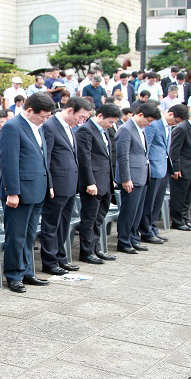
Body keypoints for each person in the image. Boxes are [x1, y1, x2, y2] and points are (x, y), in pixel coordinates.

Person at [0, 92, 54, 293]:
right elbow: (8, 162)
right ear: (29, 110)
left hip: (37, 188)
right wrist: (12, 191)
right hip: (19, 192)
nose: (45, 120)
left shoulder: (38, 127)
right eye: (43, 116)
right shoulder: (12, 127)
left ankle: (28, 272)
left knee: (30, 235)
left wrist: (49, 184)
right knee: (16, 236)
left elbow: (43, 158)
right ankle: (14, 275)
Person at [40, 97, 93, 273]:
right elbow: (46, 158)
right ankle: (50, 261)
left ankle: (61, 257)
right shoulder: (50, 126)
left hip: (70, 184)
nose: (82, 121)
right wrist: (49, 184)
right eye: (81, 116)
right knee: (51, 225)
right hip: (57, 184)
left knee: (64, 224)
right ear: (70, 110)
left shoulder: (71, 128)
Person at [75, 104, 121, 264]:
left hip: (106, 181)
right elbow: (84, 158)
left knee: (99, 218)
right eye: (110, 121)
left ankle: (96, 248)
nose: (111, 125)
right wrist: (89, 182)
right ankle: (87, 252)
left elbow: (107, 156)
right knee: (89, 218)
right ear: (100, 116)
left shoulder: (105, 131)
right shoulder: (86, 130)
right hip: (93, 183)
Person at [115, 103, 161, 252]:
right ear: (140, 114)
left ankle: (134, 238)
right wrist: (126, 178)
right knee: (128, 211)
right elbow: (123, 156)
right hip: (131, 177)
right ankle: (124, 241)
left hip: (142, 175)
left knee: (137, 211)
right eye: (149, 120)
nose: (149, 124)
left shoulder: (140, 130)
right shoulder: (125, 129)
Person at [139, 104, 188, 244]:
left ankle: (152, 227)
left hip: (164, 167)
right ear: (171, 114)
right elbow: (146, 146)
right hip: (153, 168)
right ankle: (146, 231)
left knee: (157, 202)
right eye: (176, 121)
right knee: (149, 203)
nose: (176, 124)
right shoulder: (154, 124)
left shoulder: (169, 127)